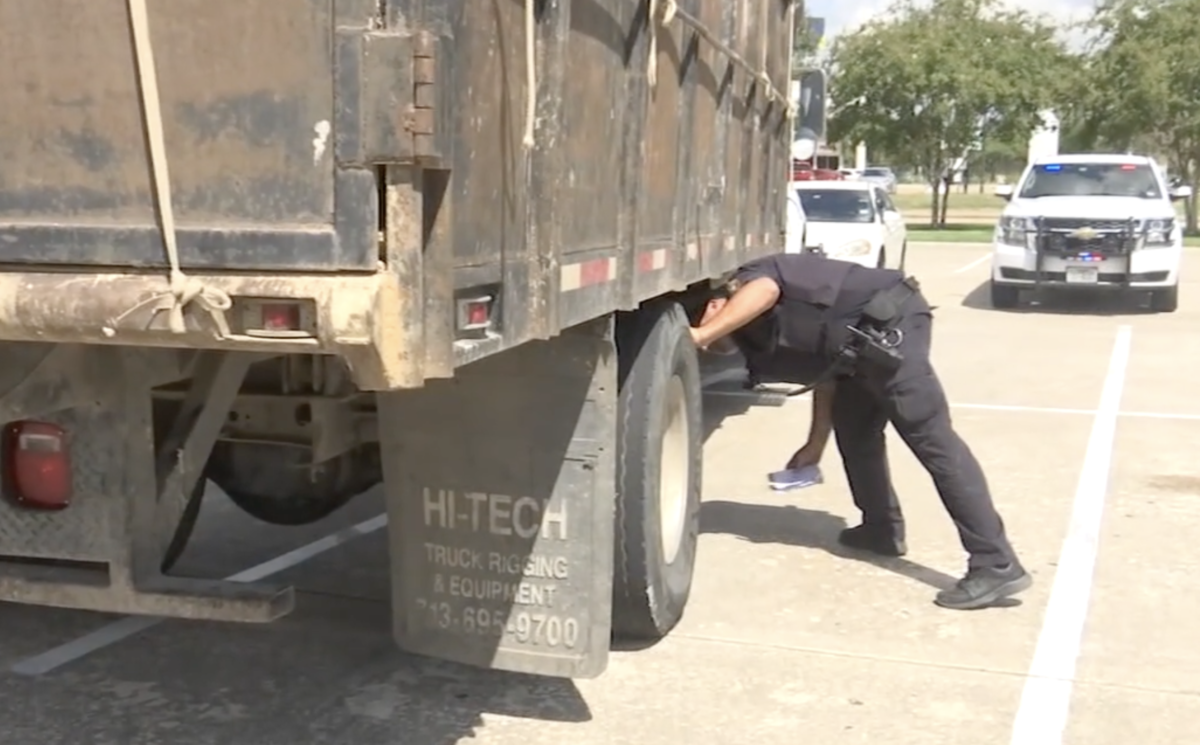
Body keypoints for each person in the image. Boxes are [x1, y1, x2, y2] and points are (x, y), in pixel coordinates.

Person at [690, 251, 1031, 610]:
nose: (718, 349)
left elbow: (766, 290)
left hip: (889, 324)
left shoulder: (750, 281)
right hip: (855, 351)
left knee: (933, 440)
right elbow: (825, 374)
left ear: (715, 305)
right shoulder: (754, 332)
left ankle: (995, 562)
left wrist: (701, 335)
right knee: (854, 432)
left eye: (716, 338)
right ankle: (881, 528)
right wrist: (815, 443)